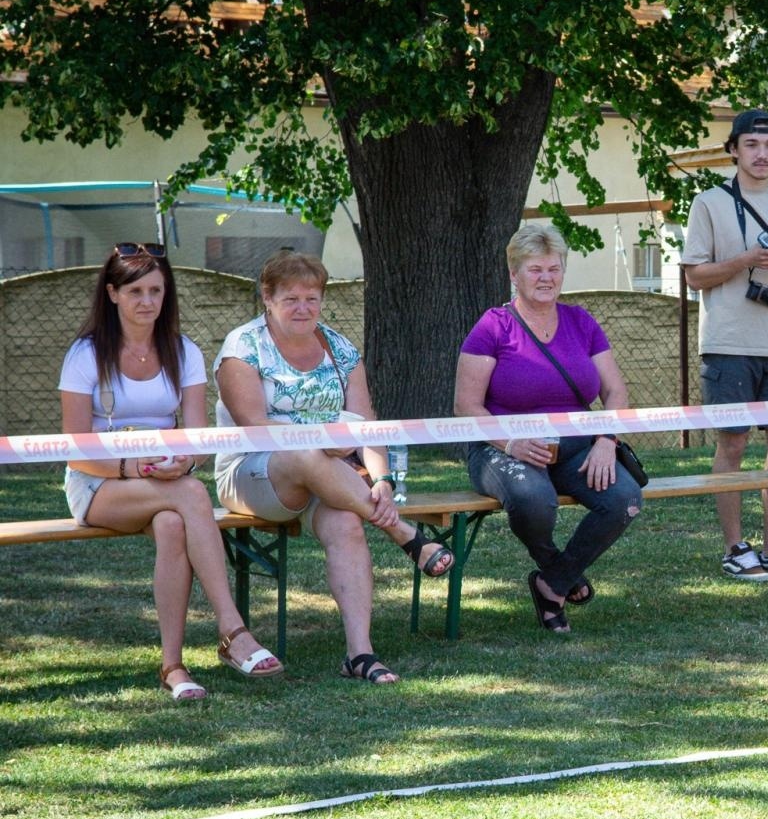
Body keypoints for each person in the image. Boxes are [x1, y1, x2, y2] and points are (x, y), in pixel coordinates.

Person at [214, 250, 453, 684]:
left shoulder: (340, 348)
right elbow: (253, 424)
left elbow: (365, 426)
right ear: (267, 298)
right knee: (307, 451)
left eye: (311, 298)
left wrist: (381, 479)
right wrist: (321, 441)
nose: (303, 307)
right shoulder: (243, 347)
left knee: (346, 521)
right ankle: (405, 534)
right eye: (290, 299)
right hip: (253, 472)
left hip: (332, 477)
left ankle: (359, 654)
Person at [58, 243, 283, 698]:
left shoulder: (184, 351)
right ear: (113, 294)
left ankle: (173, 668)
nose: (147, 301)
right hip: (99, 482)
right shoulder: (85, 354)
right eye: (136, 290)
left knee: (171, 524)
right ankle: (234, 630)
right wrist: (130, 466)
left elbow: (197, 437)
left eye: (156, 290)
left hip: (164, 480)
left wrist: (187, 459)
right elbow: (74, 450)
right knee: (192, 497)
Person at [453, 222, 643, 635]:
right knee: (533, 499)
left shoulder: (581, 322)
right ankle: (560, 569)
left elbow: (615, 392)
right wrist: (510, 442)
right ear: (514, 275)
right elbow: (466, 406)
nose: (546, 278)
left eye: (554, 269)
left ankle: (551, 584)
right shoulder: (493, 327)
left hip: (576, 444)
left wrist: (607, 441)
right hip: (500, 446)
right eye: (535, 269)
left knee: (624, 499)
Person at [681, 109, 768, 582]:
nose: (762, 154)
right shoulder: (708, 203)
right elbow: (695, 274)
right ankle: (736, 547)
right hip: (727, 341)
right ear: (734, 149)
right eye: (752, 145)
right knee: (733, 443)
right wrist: (746, 260)